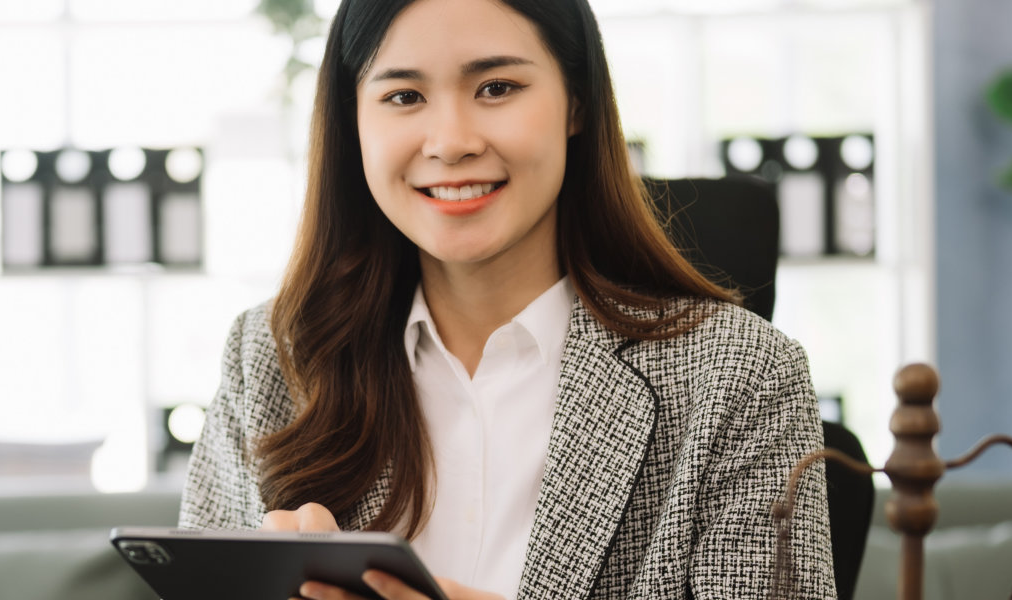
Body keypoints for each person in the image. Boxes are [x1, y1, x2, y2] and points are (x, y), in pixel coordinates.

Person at [178, 0, 835, 598]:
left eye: (497, 88)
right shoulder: (274, 356)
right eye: (404, 96)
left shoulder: (742, 375)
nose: (452, 140)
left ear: (576, 102)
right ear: (353, 121)